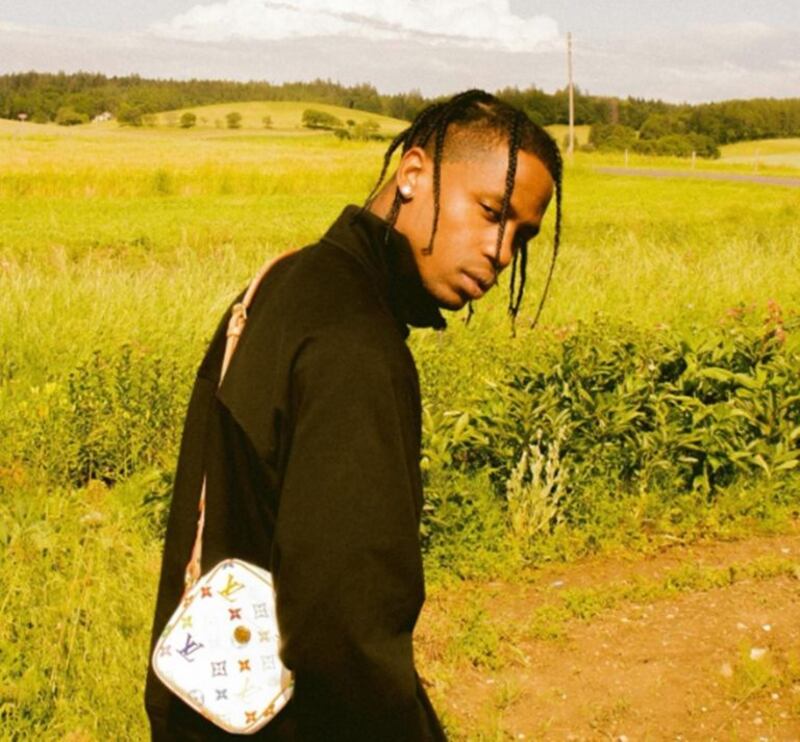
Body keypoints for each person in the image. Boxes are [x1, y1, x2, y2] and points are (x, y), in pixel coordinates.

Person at [144, 88, 562, 740]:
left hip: (200, 709)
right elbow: (345, 633)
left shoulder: (282, 283)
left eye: (522, 235)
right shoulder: (357, 347)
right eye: (491, 212)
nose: (501, 251)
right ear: (414, 173)